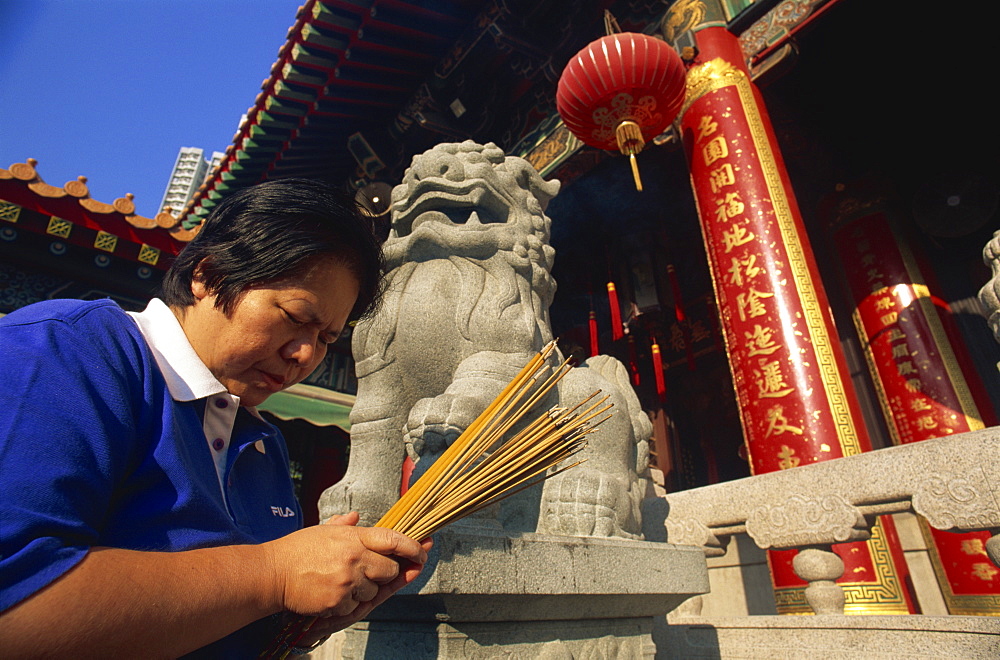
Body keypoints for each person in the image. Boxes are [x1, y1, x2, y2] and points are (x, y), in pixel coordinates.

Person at [0, 178, 430, 657]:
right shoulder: (68, 352)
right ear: (208, 276)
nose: (305, 354)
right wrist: (274, 573)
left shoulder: (261, 439)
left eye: (327, 339)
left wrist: (304, 609)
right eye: (294, 315)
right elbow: (15, 606)